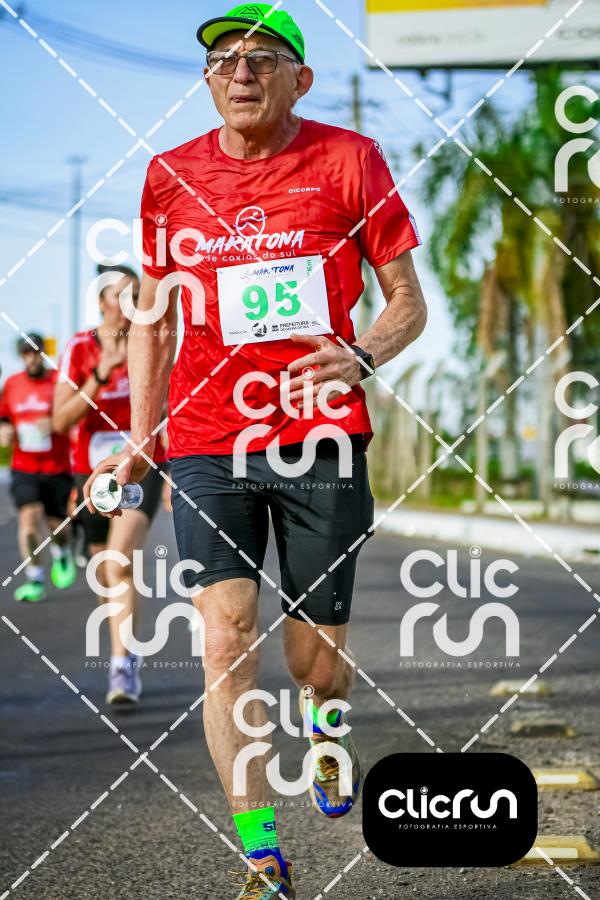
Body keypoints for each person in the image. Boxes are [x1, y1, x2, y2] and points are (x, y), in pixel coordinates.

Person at [85, 4, 427, 896]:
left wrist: (361, 355)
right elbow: (155, 318)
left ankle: (326, 722)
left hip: (320, 434)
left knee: (317, 659)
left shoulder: (352, 160)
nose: (240, 72)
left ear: (299, 80)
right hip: (207, 441)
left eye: (263, 58)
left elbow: (407, 301)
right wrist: (145, 436)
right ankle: (262, 851)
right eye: (224, 60)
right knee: (225, 640)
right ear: (208, 80)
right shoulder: (170, 175)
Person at [53, 264, 168, 705]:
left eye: (134, 294)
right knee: (105, 570)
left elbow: (166, 410)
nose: (128, 303)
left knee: (120, 561)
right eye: (118, 295)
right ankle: (126, 646)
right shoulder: (81, 347)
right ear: (100, 301)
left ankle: (122, 666)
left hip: (141, 466)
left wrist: (175, 473)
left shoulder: (149, 340)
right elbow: (60, 419)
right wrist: (100, 373)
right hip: (91, 474)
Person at [0, 334, 77, 603]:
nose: (32, 358)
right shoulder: (12, 384)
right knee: (29, 521)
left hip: (57, 467)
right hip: (24, 467)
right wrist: (4, 430)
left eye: (36, 352)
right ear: (21, 356)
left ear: (44, 353)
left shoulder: (58, 382)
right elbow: (4, 417)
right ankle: (34, 578)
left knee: (58, 528)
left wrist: (54, 423)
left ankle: (62, 553)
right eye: (26, 353)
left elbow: (75, 415)